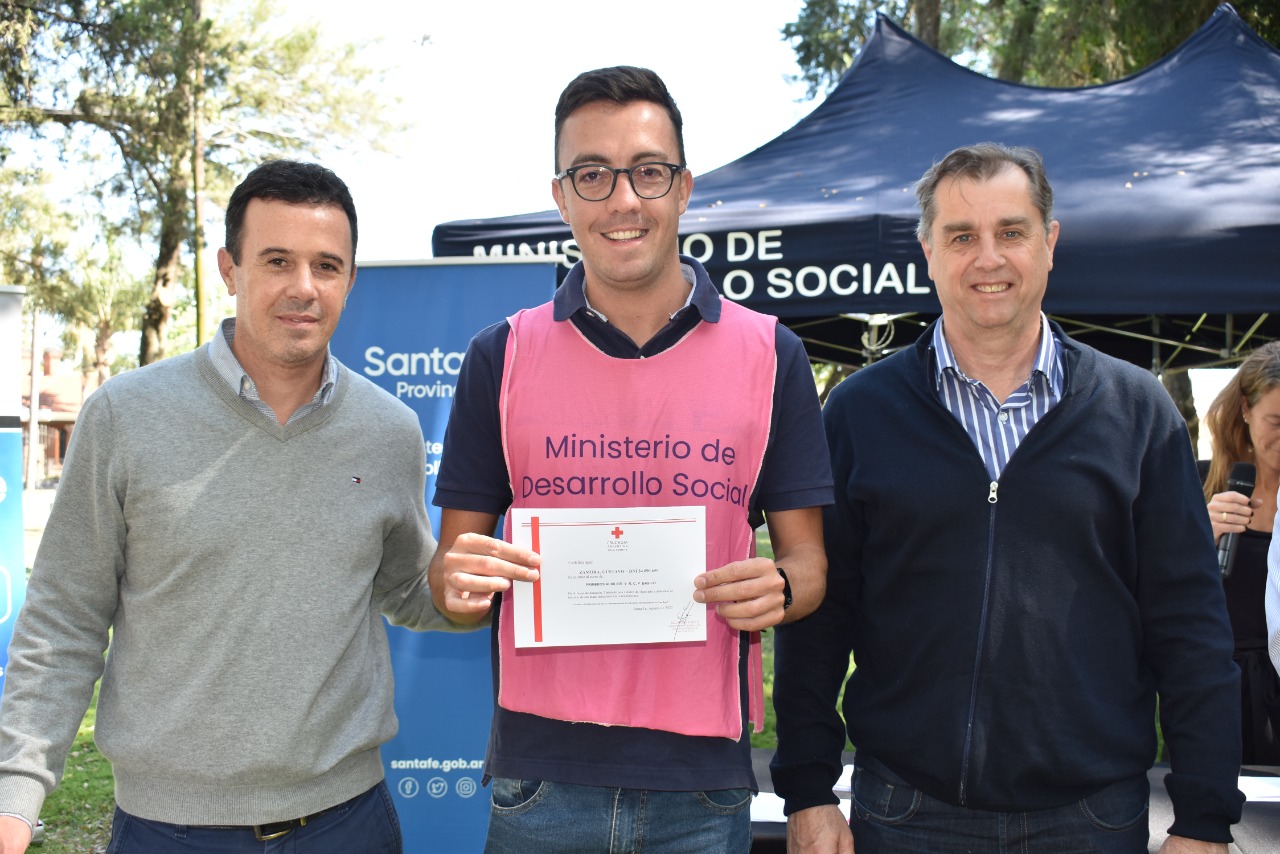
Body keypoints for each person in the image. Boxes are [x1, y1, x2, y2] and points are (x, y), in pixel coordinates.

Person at [771, 143, 1244, 854]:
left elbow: (1190, 625)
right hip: (905, 811)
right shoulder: (859, 413)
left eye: (1011, 232)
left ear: (1049, 243)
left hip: (1092, 817)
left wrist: (1204, 817)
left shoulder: (1137, 411)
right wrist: (807, 789)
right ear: (928, 252)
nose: (987, 258)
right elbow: (819, 617)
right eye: (962, 236)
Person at [427, 66, 832, 853]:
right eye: (592, 175)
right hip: (541, 777)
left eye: (648, 171)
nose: (622, 200)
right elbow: (451, 584)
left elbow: (809, 566)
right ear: (562, 197)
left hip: (703, 783)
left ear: (683, 189)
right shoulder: (501, 356)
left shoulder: (770, 354)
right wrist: (459, 582)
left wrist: (780, 586)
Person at [0, 160, 446, 854]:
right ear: (230, 269)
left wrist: (488, 589)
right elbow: (63, 618)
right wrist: (14, 798)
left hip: (347, 822)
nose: (304, 287)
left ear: (350, 280)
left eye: (327, 266)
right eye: (277, 261)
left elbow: (406, 588)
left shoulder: (389, 431)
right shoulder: (125, 416)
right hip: (168, 830)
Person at [1202, 342, 1280, 763]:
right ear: (1246, 410)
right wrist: (1199, 538)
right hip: (1221, 691)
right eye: (1276, 421)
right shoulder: (1201, 487)